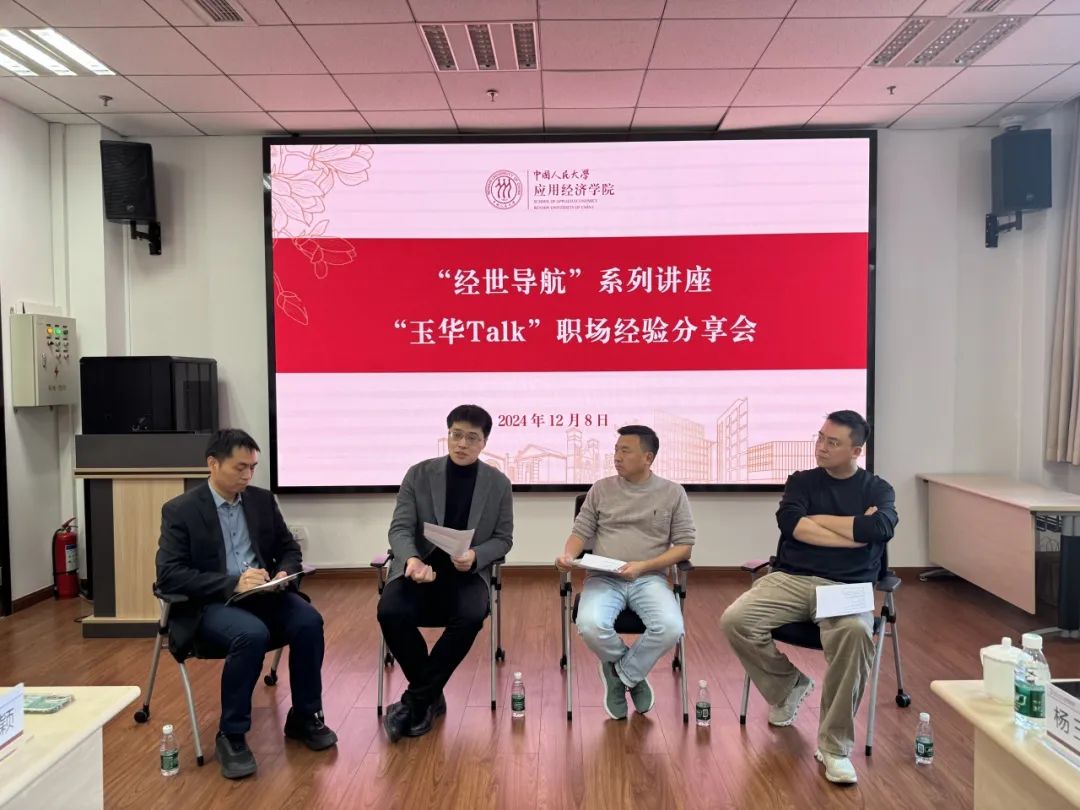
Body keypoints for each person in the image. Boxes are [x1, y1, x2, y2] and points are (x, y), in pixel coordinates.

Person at [720, 410, 898, 786]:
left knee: (855, 633)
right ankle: (789, 686)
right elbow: (792, 525)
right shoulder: (801, 481)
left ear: (856, 451)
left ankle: (834, 748)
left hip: (847, 587)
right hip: (792, 578)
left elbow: (880, 527)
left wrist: (819, 520)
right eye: (820, 437)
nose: (821, 447)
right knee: (736, 620)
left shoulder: (877, 489)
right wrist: (855, 535)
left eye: (833, 442)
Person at [155, 429, 337, 780]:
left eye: (252, 467)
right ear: (212, 464)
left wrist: (284, 572)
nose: (248, 475)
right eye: (240, 467)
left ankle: (304, 716)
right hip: (211, 604)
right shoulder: (181, 510)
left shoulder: (261, 501)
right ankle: (232, 734)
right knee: (250, 634)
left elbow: (289, 548)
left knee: (308, 621)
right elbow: (169, 575)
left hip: (264, 595)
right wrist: (233, 583)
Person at [377, 404, 513, 742]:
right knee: (390, 611)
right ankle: (429, 696)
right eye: (456, 435)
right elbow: (400, 529)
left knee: (470, 616)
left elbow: (503, 539)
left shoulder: (498, 483)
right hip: (420, 568)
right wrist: (411, 560)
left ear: (484, 442)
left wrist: (476, 556)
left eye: (472, 438)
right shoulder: (419, 474)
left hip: (466, 573)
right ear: (448, 435)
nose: (462, 444)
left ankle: (416, 700)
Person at [555, 425, 695, 720]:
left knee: (671, 627)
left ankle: (619, 675)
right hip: (604, 577)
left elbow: (684, 548)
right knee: (590, 624)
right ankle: (632, 675)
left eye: (625, 451)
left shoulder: (673, 493)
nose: (616, 456)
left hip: (649, 578)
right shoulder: (601, 489)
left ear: (648, 457)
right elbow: (580, 533)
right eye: (616, 450)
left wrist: (643, 566)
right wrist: (568, 554)